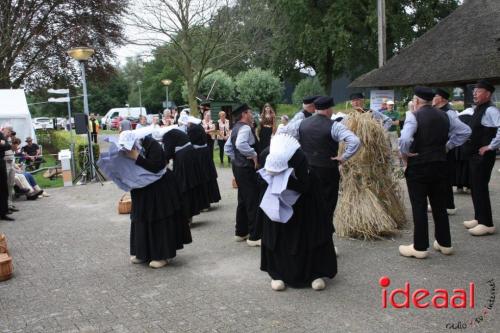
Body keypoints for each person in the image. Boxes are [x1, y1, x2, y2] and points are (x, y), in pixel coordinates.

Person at [398, 86, 471, 259]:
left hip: (419, 166)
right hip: (440, 164)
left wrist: (405, 155)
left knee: (419, 206)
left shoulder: (413, 116)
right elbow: (465, 131)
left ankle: (420, 247)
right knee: (439, 206)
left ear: (416, 101)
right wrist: (447, 147)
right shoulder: (446, 115)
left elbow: (405, 139)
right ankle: (445, 243)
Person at [258, 133, 337, 291]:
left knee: (309, 233)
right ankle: (277, 273)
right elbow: (262, 177)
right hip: (276, 199)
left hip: (304, 202)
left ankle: (314, 273)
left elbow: (305, 185)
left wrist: (288, 183)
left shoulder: (299, 157)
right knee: (277, 235)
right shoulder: (266, 154)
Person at [125, 135, 192, 268]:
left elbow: (156, 166)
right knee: (141, 219)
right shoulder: (125, 146)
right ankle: (142, 253)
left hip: (160, 189)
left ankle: (163, 255)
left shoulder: (152, 144)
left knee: (159, 220)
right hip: (141, 189)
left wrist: (136, 157)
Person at [298, 96, 361, 224]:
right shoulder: (335, 126)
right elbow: (355, 141)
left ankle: (310, 238)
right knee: (327, 204)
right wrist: (344, 157)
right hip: (327, 170)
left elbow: (286, 134)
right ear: (328, 110)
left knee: (309, 203)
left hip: (306, 169)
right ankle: (325, 239)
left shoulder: (302, 123)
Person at [462, 80, 500, 236]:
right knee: (475, 186)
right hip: (474, 155)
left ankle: (487, 223)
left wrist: (491, 146)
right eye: (474, 91)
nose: (475, 94)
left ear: (488, 94)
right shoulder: (478, 109)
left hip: (483, 156)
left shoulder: (491, 110)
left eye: (478, 91)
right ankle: (479, 218)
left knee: (480, 187)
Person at [224, 103, 262, 246]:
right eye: (250, 113)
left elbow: (228, 148)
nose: (252, 115)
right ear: (244, 114)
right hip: (246, 169)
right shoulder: (245, 128)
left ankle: (241, 232)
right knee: (252, 200)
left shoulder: (235, 128)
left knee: (243, 199)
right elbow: (240, 144)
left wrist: (236, 158)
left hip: (239, 168)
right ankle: (254, 236)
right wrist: (253, 155)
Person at [432, 88, 464, 215]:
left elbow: (461, 131)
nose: (433, 98)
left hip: (445, 150)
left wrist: (448, 145)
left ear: (441, 99)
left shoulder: (450, 112)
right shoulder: (438, 110)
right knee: (438, 177)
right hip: (438, 149)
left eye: (435, 96)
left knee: (445, 178)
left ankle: (449, 205)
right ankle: (440, 203)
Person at [185, 115, 221, 207]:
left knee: (202, 176)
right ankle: (211, 198)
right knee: (208, 175)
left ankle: (205, 201)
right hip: (204, 153)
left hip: (199, 155)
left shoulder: (192, 129)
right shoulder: (199, 126)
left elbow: (190, 141)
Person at [0, 126, 14, 221]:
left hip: (0, 162)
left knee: (3, 188)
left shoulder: (0, 134)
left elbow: (8, 146)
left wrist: (3, 143)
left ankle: (3, 212)